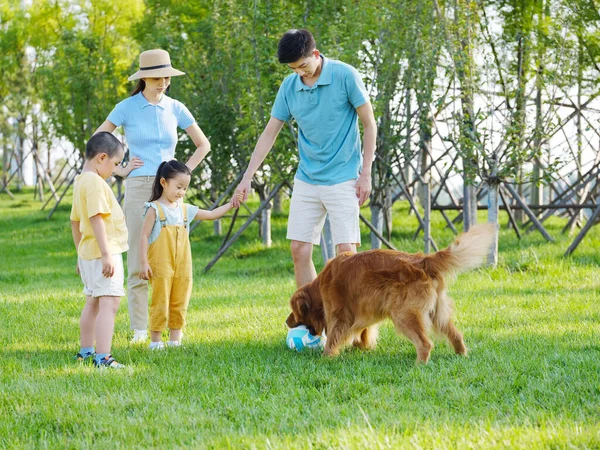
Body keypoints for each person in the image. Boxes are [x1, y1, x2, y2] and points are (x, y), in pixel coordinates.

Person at [232, 29, 377, 289]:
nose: (300, 72)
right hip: (307, 179)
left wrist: (365, 173)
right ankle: (309, 322)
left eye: (303, 66)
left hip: (343, 177)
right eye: (293, 69)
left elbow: (369, 124)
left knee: (346, 254)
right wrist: (247, 177)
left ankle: (349, 326)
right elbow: (269, 133)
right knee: (299, 249)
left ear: (316, 54)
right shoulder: (289, 86)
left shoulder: (345, 75)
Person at [95, 49, 211, 343]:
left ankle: (173, 329)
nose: (163, 83)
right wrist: (120, 170)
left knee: (174, 261)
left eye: (167, 78)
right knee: (139, 257)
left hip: (170, 193)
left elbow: (203, 145)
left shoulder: (176, 108)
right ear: (144, 77)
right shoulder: (126, 107)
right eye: (158, 78)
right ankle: (138, 330)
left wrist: (182, 174)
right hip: (137, 186)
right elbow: (99, 141)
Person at [139, 160, 236, 349]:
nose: (181, 192)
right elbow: (143, 237)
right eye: (178, 187)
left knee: (180, 299)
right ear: (163, 182)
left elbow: (212, 214)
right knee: (160, 300)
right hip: (160, 263)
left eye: (185, 188)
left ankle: (175, 340)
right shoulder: (154, 209)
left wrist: (231, 204)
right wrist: (143, 262)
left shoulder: (184, 209)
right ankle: (156, 342)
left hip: (183, 264)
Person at [70, 132, 128, 369]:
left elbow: (75, 222)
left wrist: (79, 253)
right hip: (105, 252)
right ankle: (103, 357)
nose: (114, 170)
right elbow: (96, 218)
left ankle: (86, 351)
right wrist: (106, 254)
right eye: (114, 164)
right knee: (110, 303)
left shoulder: (80, 181)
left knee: (92, 302)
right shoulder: (95, 182)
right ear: (102, 158)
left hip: (88, 253)